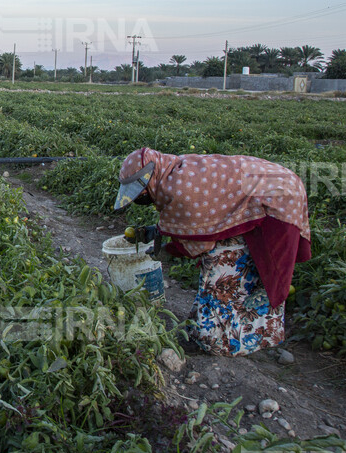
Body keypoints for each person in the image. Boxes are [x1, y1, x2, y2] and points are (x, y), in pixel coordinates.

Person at [114, 147, 311, 357]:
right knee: (230, 265)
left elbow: (200, 243)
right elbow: (206, 216)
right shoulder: (172, 171)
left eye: (142, 190)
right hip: (264, 195)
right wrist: (156, 232)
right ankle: (213, 326)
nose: (142, 196)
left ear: (151, 178)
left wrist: (165, 251)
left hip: (279, 199)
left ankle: (231, 338)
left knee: (246, 268)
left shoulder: (180, 189)